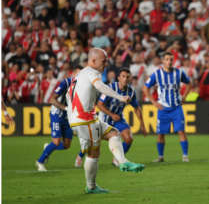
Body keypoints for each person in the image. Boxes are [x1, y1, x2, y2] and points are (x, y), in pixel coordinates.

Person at [63, 48, 145, 194]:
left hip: (82, 118)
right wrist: (120, 97)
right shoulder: (92, 72)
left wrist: (72, 118)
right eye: (104, 61)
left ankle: (122, 161)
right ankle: (91, 187)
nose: (106, 64)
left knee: (114, 133)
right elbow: (100, 87)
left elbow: (70, 97)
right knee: (94, 153)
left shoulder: (78, 75)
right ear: (93, 61)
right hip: (85, 118)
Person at [76, 68, 148, 167]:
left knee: (128, 139)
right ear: (118, 78)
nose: (125, 79)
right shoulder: (110, 88)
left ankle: (117, 159)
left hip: (118, 119)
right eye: (123, 76)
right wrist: (112, 114)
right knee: (93, 140)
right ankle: (80, 156)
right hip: (104, 118)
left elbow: (136, 108)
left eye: (127, 77)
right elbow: (100, 105)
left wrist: (142, 125)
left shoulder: (130, 92)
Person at [142, 52, 192, 162]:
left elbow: (189, 83)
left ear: (173, 61)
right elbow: (145, 88)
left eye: (171, 59)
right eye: (167, 59)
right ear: (163, 61)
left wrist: (184, 97)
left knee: (181, 131)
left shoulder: (179, 73)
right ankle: (161, 157)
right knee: (160, 134)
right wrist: (154, 102)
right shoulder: (157, 74)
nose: (169, 61)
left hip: (176, 107)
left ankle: (185, 156)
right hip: (163, 109)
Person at [36, 65, 83, 171]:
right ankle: (40, 162)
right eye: (78, 74)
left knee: (66, 145)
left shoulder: (83, 87)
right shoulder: (66, 83)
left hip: (69, 117)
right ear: (74, 74)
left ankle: (49, 147)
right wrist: (66, 108)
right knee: (56, 142)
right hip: (57, 114)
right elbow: (52, 99)